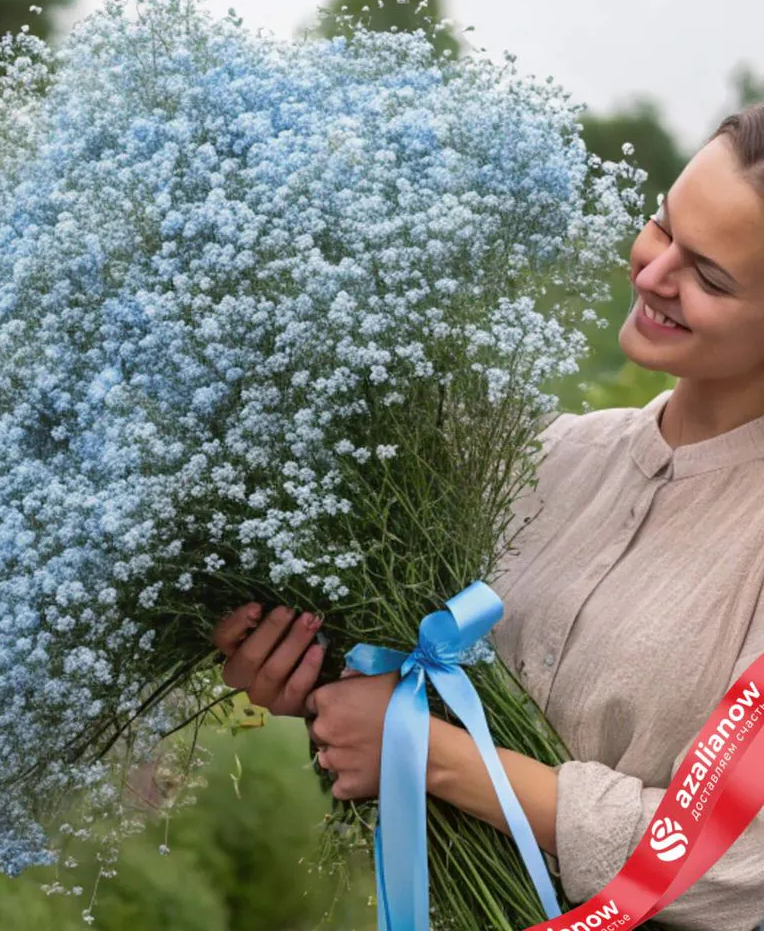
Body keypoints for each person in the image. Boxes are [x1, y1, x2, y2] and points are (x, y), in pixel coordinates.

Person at [211, 104, 764, 931]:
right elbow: (421, 685)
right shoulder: (542, 456)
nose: (654, 274)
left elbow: (736, 864)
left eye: (710, 277)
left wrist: (434, 758)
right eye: (662, 225)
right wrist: (321, 679)